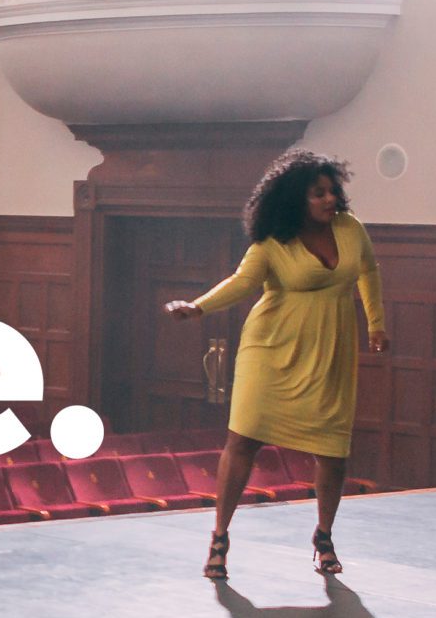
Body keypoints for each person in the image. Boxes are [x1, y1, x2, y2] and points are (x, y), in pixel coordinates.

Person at [163, 150, 387, 580]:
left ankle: (323, 535)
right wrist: (197, 308)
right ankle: (220, 537)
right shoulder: (272, 244)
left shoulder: (350, 228)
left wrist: (376, 326)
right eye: (317, 194)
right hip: (270, 349)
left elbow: (369, 272)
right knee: (243, 440)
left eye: (332, 191)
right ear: (293, 200)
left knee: (333, 451)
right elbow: (242, 283)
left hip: (330, 348)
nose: (329, 200)